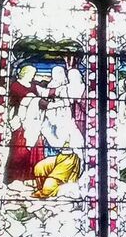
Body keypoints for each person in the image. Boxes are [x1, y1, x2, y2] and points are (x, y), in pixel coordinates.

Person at [32, 64, 86, 198]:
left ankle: (60, 190)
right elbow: (46, 93)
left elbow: (53, 96)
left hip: (71, 158)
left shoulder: (70, 125)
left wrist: (51, 104)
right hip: (60, 154)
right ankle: (47, 190)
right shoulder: (60, 89)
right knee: (39, 168)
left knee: (49, 185)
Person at [5, 65, 45, 183]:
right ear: (24, 73)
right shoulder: (16, 85)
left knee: (36, 149)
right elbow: (14, 100)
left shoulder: (32, 86)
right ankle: (15, 178)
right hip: (20, 121)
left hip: (33, 121)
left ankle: (32, 178)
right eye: (31, 74)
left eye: (33, 74)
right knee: (19, 148)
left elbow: (40, 95)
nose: (32, 76)